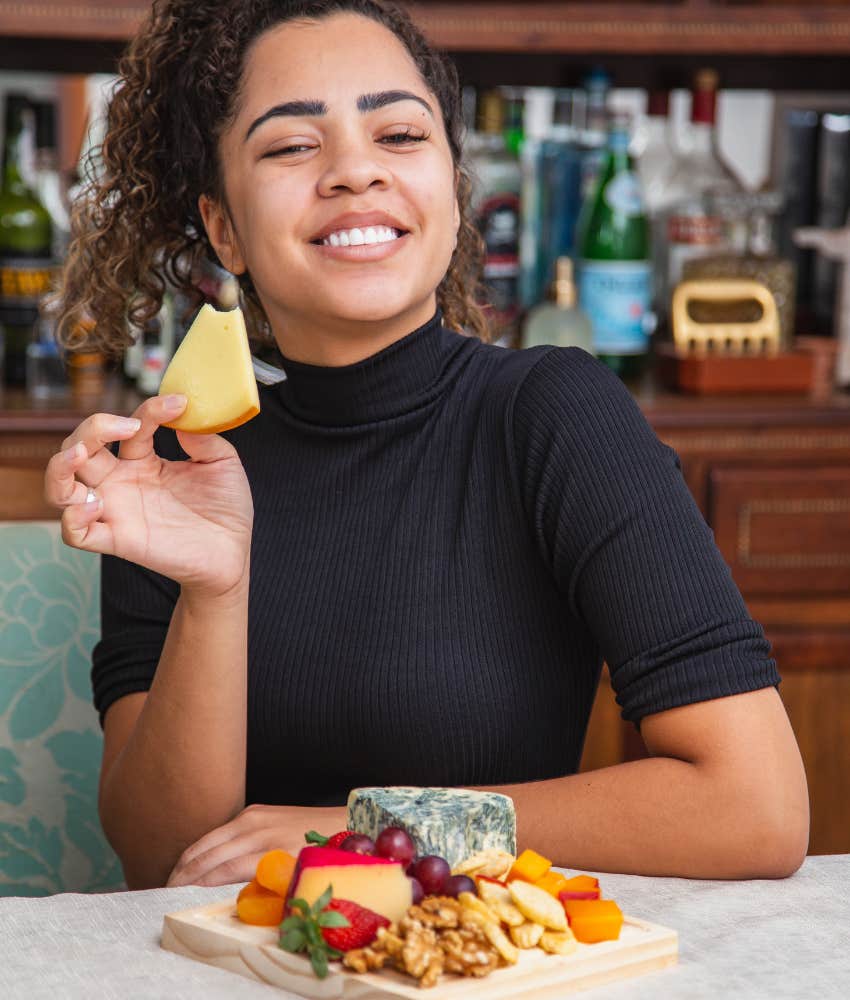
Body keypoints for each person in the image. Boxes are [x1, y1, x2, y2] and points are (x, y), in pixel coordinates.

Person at [44, 0, 808, 891]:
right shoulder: (169, 465)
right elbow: (162, 858)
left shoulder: (555, 416)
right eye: (292, 146)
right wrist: (215, 589)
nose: (354, 171)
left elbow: (756, 806)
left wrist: (369, 830)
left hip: (484, 967)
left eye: (400, 135)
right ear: (224, 230)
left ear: (451, 190)